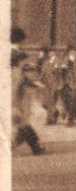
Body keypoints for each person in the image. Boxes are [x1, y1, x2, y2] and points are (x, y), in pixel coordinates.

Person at [12, 27, 44, 156]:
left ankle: (34, 144)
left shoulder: (13, 52)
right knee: (20, 118)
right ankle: (32, 144)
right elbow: (22, 74)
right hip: (18, 88)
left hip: (15, 88)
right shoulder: (17, 53)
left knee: (19, 118)